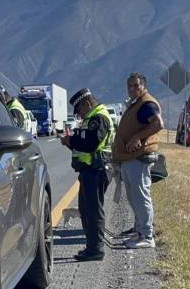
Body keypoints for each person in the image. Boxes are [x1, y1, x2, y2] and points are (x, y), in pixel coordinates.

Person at [62, 88, 114, 261]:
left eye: (79, 111)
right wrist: (70, 142)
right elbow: (84, 144)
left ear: (87, 104)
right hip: (89, 170)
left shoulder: (99, 118)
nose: (78, 115)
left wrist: (72, 140)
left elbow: (91, 143)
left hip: (97, 170)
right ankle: (91, 246)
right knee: (85, 209)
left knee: (93, 210)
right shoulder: (92, 118)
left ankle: (96, 249)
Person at [113, 72, 162, 249]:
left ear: (143, 86)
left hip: (138, 157)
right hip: (128, 157)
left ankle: (147, 236)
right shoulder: (135, 105)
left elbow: (157, 123)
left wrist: (137, 137)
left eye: (136, 85)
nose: (133, 89)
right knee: (134, 197)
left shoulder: (146, 104)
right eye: (130, 86)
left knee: (141, 197)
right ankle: (140, 231)